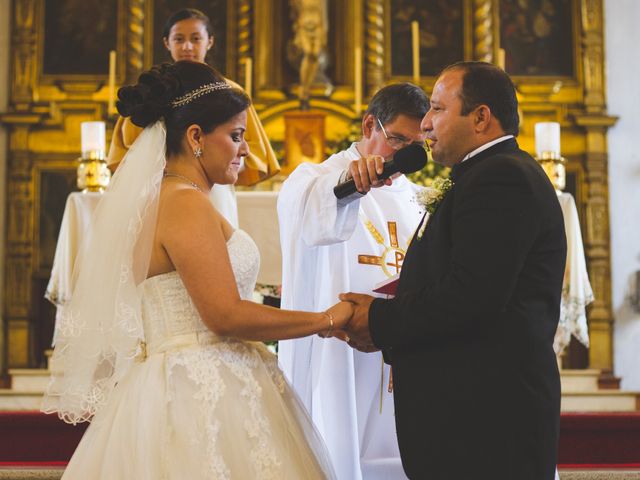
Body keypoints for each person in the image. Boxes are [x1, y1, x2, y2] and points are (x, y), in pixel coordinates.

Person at [42, 61, 351, 479]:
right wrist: (327, 319)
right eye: (236, 136)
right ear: (195, 137)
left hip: (188, 379)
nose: (246, 150)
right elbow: (224, 315)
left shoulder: (170, 197)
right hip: (197, 390)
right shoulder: (184, 203)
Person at [341, 61, 567, 479]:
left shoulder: (501, 178)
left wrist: (377, 319)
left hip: (486, 423)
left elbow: (471, 296)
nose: (425, 124)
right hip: (471, 417)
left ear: (481, 117)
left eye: (437, 109)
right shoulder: (479, 175)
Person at [278, 83, 428, 480]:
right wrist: (349, 185)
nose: (403, 156)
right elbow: (308, 209)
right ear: (368, 126)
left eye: (418, 146)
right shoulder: (318, 178)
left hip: (403, 345)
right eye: (396, 139)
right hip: (341, 347)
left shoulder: (419, 197)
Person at [107, 8, 279, 227]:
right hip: (155, 192)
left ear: (210, 42)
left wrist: (217, 157)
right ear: (167, 43)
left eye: (195, 39)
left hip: (216, 190)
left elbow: (253, 152)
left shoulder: (230, 92)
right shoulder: (151, 94)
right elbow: (126, 154)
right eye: (179, 39)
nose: (187, 46)